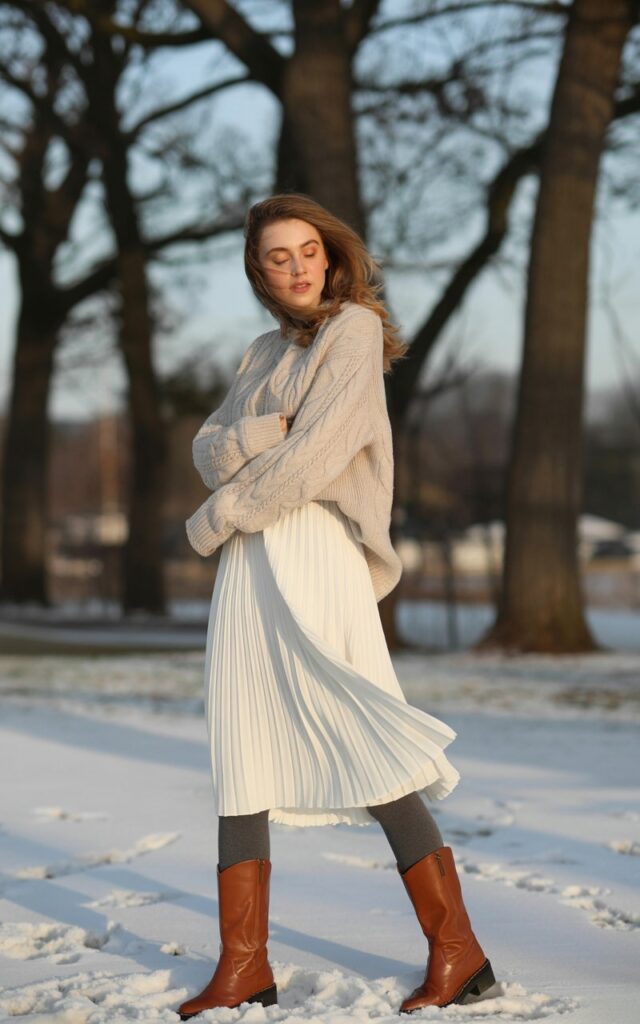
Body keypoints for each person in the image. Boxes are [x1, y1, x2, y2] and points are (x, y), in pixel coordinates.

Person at [177, 193, 495, 1020]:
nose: (295, 267)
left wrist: (221, 514)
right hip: (250, 567)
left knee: (357, 731)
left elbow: (315, 459)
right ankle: (243, 965)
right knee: (239, 744)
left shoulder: (352, 330)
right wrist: (253, 440)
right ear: (258, 270)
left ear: (331, 252)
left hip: (312, 550)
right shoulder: (258, 353)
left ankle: (457, 950)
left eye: (307, 250)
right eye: (276, 256)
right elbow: (207, 448)